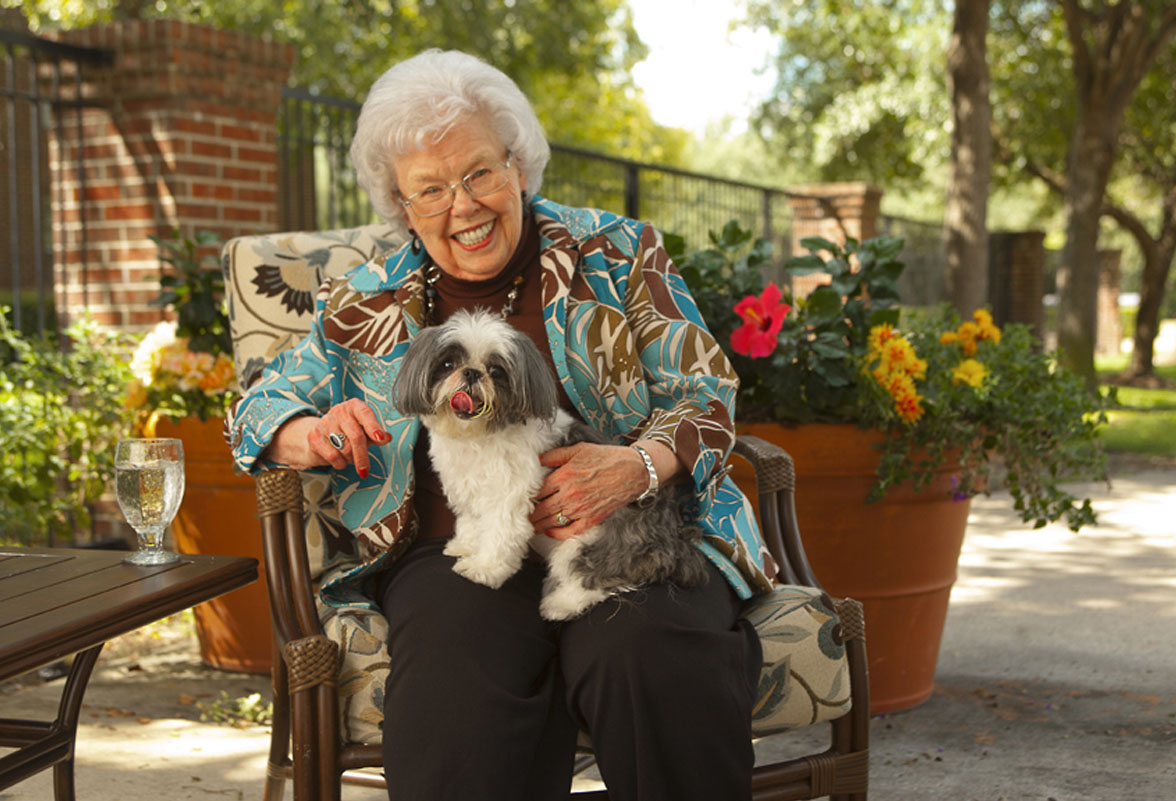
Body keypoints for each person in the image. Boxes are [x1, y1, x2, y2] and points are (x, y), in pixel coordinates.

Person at [226, 48, 777, 800]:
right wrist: (313, 430)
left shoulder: (618, 253)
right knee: (460, 695)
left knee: (653, 656)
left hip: (633, 532)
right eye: (431, 189)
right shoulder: (363, 301)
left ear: (518, 164)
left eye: (480, 171)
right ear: (402, 204)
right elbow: (253, 408)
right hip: (452, 551)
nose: (464, 205)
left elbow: (707, 390)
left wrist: (637, 465)